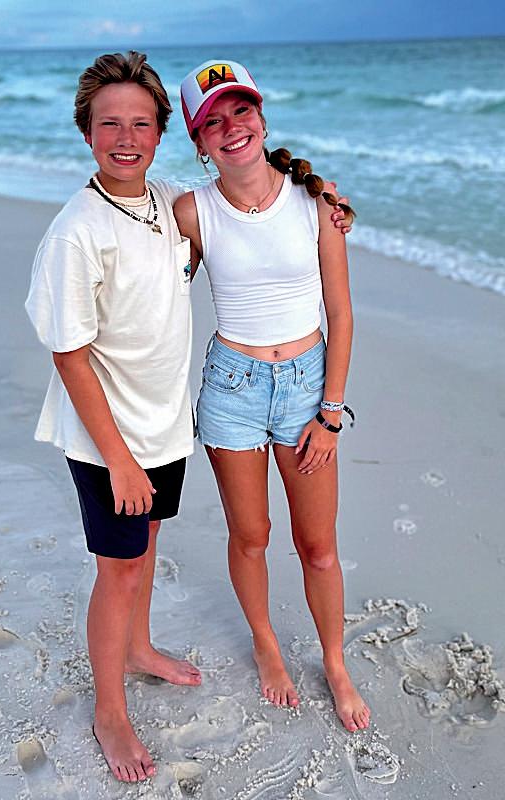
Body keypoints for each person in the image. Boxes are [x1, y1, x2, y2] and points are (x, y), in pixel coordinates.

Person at [25, 51, 354, 784]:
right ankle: (116, 709)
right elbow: (69, 352)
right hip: (143, 422)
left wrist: (325, 199)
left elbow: (311, 280)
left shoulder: (173, 204)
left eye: (141, 124)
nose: (126, 138)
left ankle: (148, 649)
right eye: (110, 124)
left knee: (161, 547)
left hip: (179, 417)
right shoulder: (113, 224)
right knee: (139, 562)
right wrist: (116, 459)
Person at [174, 59, 370, 732]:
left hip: (308, 389)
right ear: (199, 142)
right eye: (213, 122)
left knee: (317, 545)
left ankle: (334, 662)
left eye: (241, 110)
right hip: (232, 386)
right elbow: (154, 278)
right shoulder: (191, 212)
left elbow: (340, 313)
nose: (232, 127)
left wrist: (331, 413)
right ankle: (265, 645)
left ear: (260, 116)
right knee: (250, 536)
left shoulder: (317, 204)